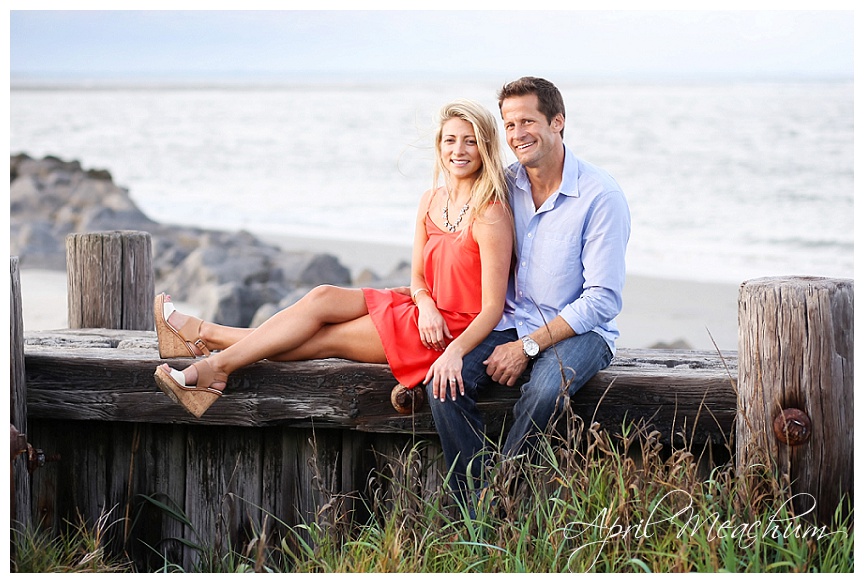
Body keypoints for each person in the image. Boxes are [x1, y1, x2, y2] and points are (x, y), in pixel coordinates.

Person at [153, 99, 513, 419]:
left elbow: (492, 308)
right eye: (450, 140)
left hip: (449, 330)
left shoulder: (491, 214)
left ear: (485, 148)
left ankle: (213, 361)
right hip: (422, 308)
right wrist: (425, 302)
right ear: (439, 146)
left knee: (325, 339)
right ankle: (206, 336)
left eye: (470, 141)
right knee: (322, 296)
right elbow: (419, 275)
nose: (459, 150)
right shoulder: (431, 200)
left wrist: (454, 349)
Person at [426, 77, 631, 500]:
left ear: (558, 122)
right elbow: (453, 215)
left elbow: (603, 298)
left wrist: (528, 347)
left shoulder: (600, 196)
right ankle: (475, 504)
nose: (518, 134)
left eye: (528, 121)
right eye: (509, 124)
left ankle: (503, 494)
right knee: (443, 384)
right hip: (510, 319)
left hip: (582, 331)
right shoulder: (503, 185)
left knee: (542, 391)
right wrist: (423, 295)